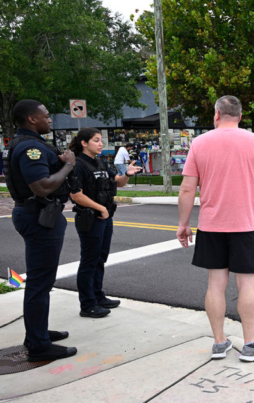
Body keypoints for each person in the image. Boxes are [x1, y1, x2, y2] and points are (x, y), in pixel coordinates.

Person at [177, 95, 254, 362]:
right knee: (247, 284)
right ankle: (250, 344)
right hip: (246, 225)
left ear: (217, 115)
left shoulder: (199, 143)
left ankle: (219, 343)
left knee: (215, 284)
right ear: (240, 117)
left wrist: (184, 224)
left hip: (211, 226)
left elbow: (188, 188)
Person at [3, 100, 78, 362]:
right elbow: (42, 186)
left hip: (39, 215)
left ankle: (37, 332)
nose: (50, 119)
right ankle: (38, 345)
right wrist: (68, 164)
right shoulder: (31, 148)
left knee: (41, 282)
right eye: (45, 116)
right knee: (39, 282)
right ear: (31, 119)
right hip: (38, 217)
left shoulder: (27, 143)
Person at [68, 128, 142, 318]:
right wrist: (100, 208)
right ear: (84, 143)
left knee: (100, 258)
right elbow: (76, 194)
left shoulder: (99, 162)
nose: (101, 144)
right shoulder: (78, 165)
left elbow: (118, 182)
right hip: (90, 217)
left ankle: (98, 296)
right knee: (89, 261)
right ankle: (87, 304)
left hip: (104, 216)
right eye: (96, 140)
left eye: (101, 140)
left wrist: (128, 173)